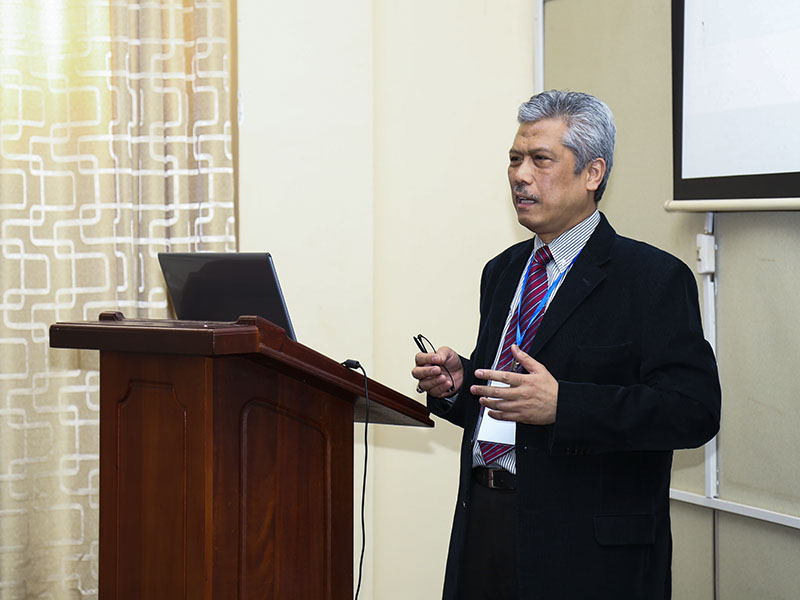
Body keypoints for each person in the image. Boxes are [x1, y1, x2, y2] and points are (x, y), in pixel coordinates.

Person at [411, 90, 721, 600]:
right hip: (485, 524)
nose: (519, 175)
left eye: (540, 160)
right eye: (514, 159)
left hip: (587, 555)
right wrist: (461, 383)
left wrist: (565, 406)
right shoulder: (503, 271)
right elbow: (512, 405)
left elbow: (694, 411)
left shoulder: (652, 279)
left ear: (592, 173)